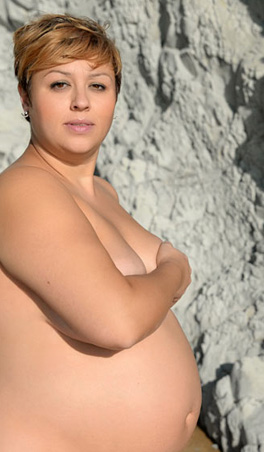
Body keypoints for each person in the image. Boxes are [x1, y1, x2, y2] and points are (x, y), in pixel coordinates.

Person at [0, 13, 200, 451]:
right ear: (25, 97)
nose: (81, 102)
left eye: (97, 85)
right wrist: (174, 272)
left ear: (114, 97)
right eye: (59, 84)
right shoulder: (22, 191)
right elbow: (117, 322)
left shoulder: (101, 192)